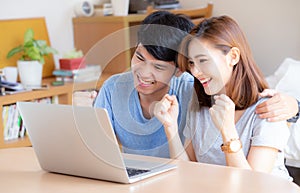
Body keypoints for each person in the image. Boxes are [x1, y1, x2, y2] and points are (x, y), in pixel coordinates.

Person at [73, 12, 299, 159]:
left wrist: (294, 105)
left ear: (180, 69)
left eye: (159, 68)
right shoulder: (113, 89)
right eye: (139, 58)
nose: (144, 73)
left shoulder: (195, 89)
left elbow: (243, 92)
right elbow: (94, 154)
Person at [154, 15, 291, 180]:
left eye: (203, 60)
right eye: (191, 63)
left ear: (233, 56)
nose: (195, 72)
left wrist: (228, 131)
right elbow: (187, 169)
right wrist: (170, 128)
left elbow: (252, 186)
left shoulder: (268, 110)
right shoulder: (200, 104)